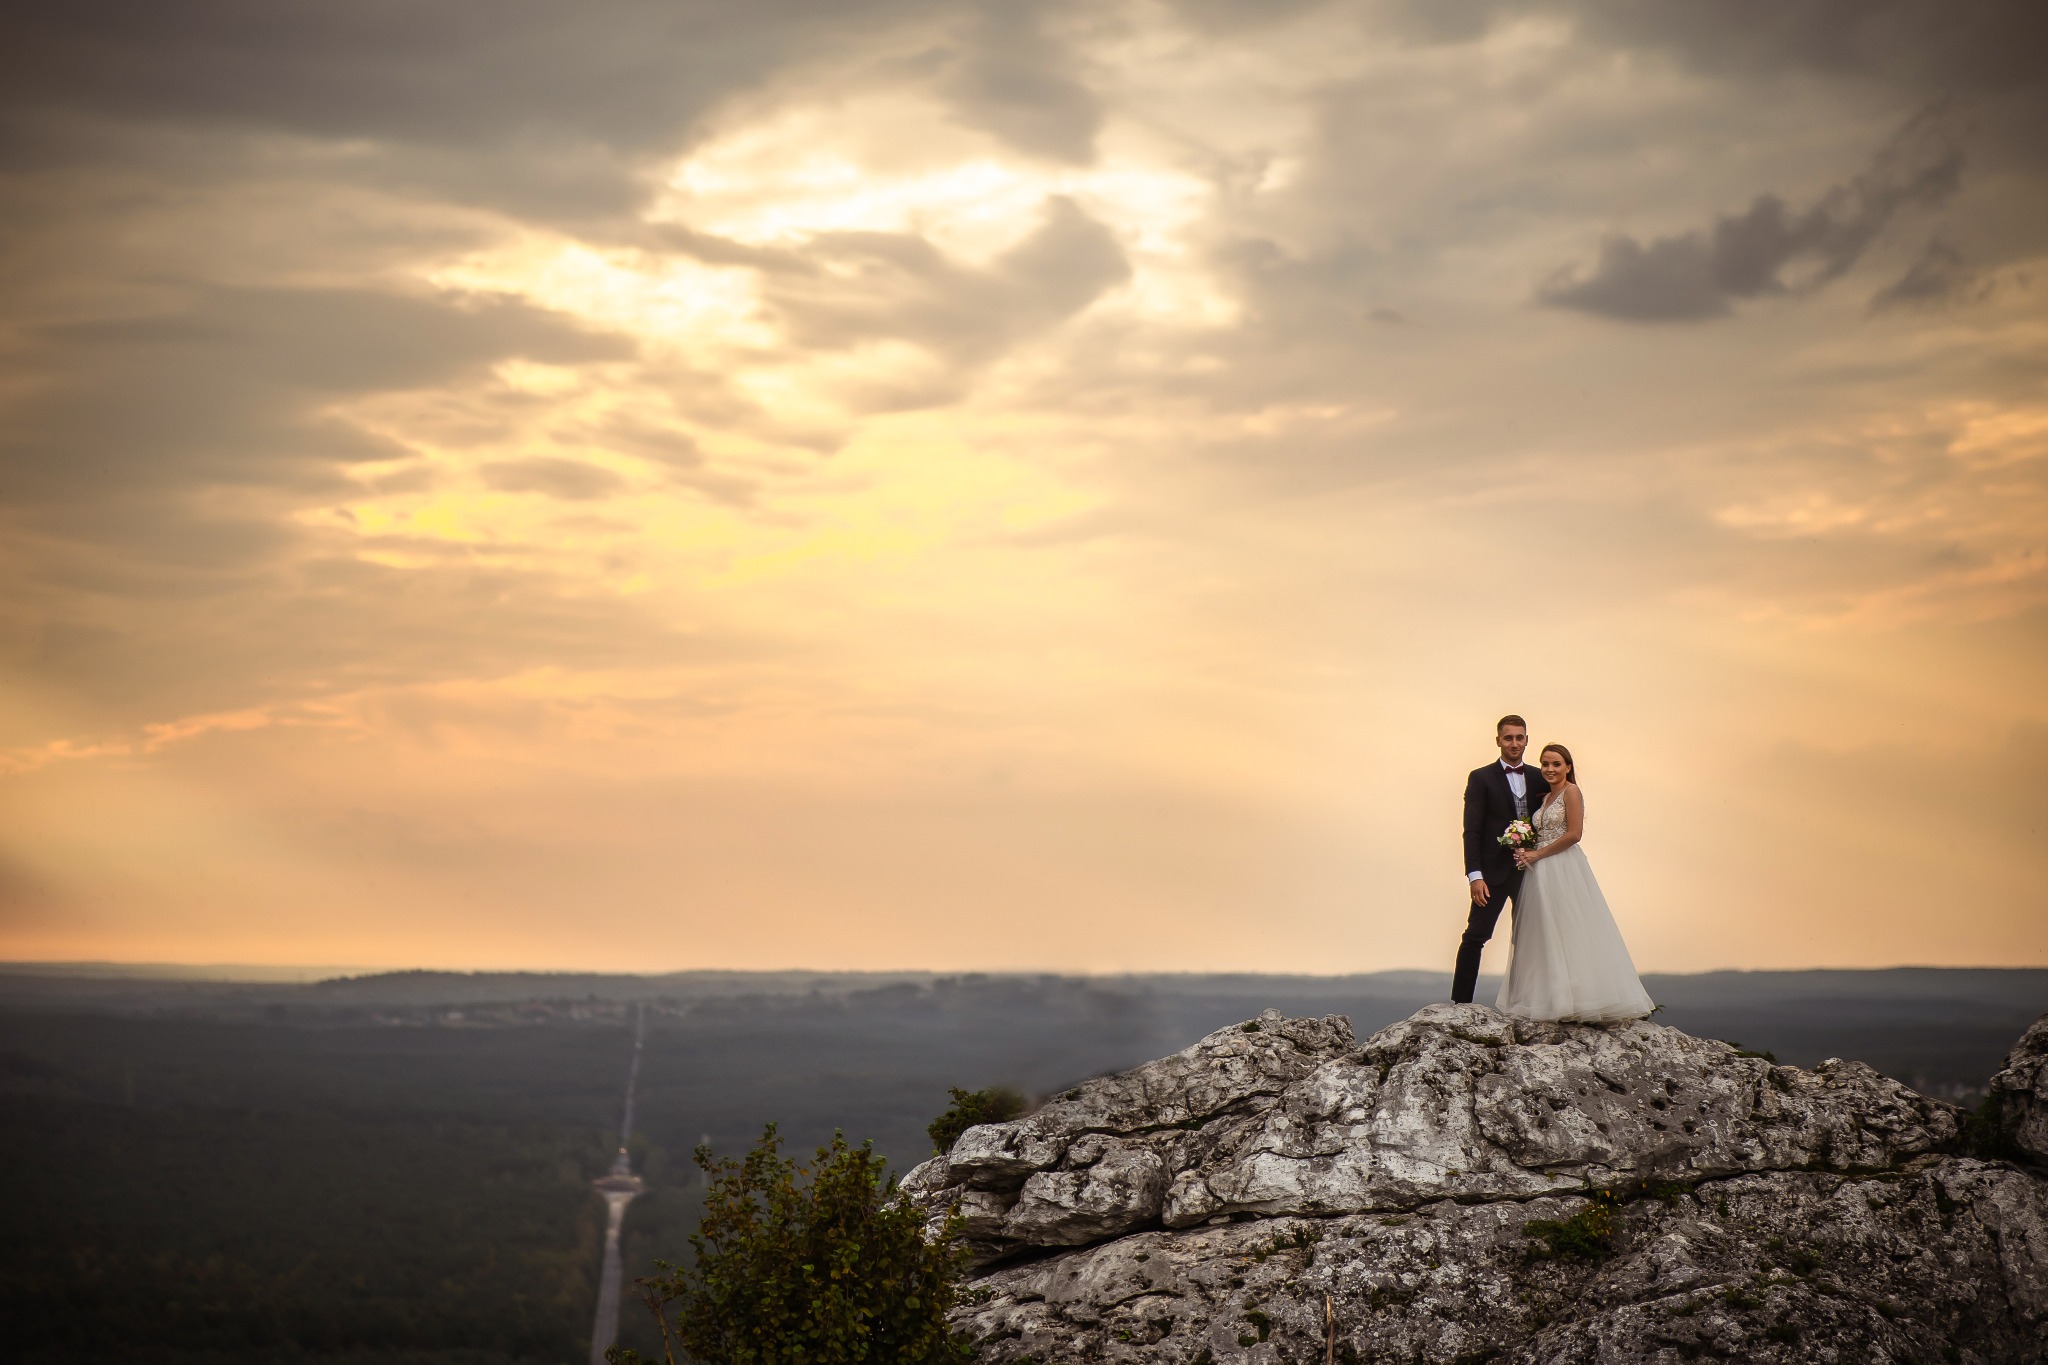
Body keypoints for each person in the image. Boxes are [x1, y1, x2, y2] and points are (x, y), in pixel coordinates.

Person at [1496, 743, 1655, 1023]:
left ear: (1568, 766)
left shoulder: (1571, 792)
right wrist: (1525, 848)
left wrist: (1539, 853)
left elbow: (1574, 834)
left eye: (1556, 764)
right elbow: (1542, 832)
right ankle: (1549, 998)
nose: (1549, 769)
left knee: (1570, 926)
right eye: (1545, 764)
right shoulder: (1545, 797)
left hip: (1562, 866)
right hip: (1540, 871)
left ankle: (1580, 998)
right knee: (1544, 931)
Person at [1451, 715, 1544, 1004]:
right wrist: (1475, 876)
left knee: (1536, 938)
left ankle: (1535, 1001)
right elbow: (1472, 829)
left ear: (1527, 740)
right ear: (1498, 741)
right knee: (1475, 936)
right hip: (1492, 873)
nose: (1514, 743)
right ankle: (1460, 1004)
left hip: (1533, 870)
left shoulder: (1540, 776)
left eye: (1520, 737)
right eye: (1508, 738)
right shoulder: (1480, 778)